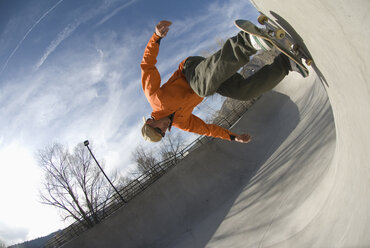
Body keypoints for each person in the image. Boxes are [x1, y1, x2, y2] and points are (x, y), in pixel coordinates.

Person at [141, 20, 307, 143]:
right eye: (162, 134)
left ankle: (246, 41)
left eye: (158, 129)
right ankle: (286, 63)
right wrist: (233, 137)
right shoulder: (181, 123)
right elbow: (207, 129)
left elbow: (147, 66)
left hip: (192, 70)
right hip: (213, 80)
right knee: (243, 92)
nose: (163, 130)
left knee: (202, 89)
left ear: (150, 121)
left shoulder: (155, 98)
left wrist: (156, 37)